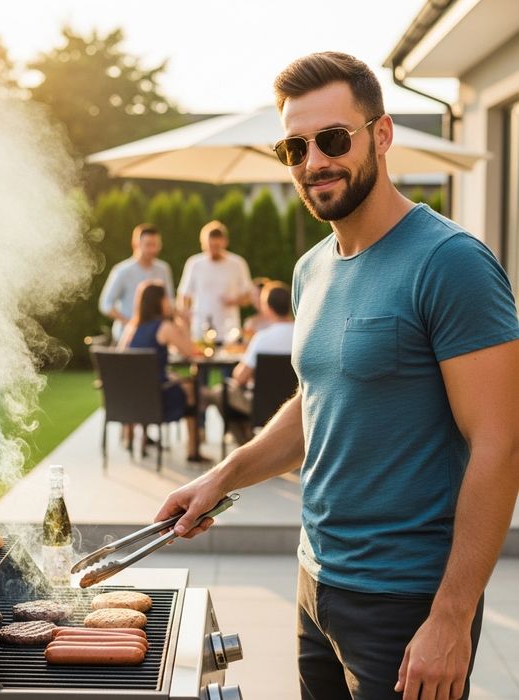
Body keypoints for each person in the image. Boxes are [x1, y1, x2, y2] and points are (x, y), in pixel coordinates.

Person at [154, 51, 519, 700]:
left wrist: (452, 617)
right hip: (315, 584)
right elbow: (318, 401)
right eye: (294, 147)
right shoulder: (310, 269)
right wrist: (221, 477)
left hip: (406, 602)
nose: (313, 161)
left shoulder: (451, 263)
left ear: (381, 135)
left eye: (331, 139)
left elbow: (501, 444)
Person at [118, 280, 207, 463]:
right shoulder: (164, 327)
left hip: (132, 398)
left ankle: (134, 437)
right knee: (192, 387)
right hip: (158, 397)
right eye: (167, 297)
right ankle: (193, 451)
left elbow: (122, 360)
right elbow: (189, 352)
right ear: (158, 301)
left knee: (177, 378)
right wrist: (184, 322)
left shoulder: (131, 327)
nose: (170, 302)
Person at [208, 280, 295, 445]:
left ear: (267, 308)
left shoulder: (262, 339)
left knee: (220, 393)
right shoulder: (302, 334)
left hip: (263, 404)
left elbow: (240, 377)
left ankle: (247, 444)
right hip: (295, 403)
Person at [177, 220, 252, 343]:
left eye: (217, 246)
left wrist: (235, 300)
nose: (214, 250)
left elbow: (249, 296)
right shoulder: (194, 264)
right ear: (203, 244)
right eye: (210, 246)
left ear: (225, 243)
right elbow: (184, 295)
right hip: (200, 331)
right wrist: (184, 319)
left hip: (229, 331)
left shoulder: (237, 264)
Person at [99, 223, 174, 343]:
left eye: (156, 245)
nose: (153, 249)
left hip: (156, 339)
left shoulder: (163, 269)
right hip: (127, 338)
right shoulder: (122, 271)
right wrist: (129, 323)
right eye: (149, 245)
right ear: (136, 244)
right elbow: (106, 304)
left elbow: (169, 300)